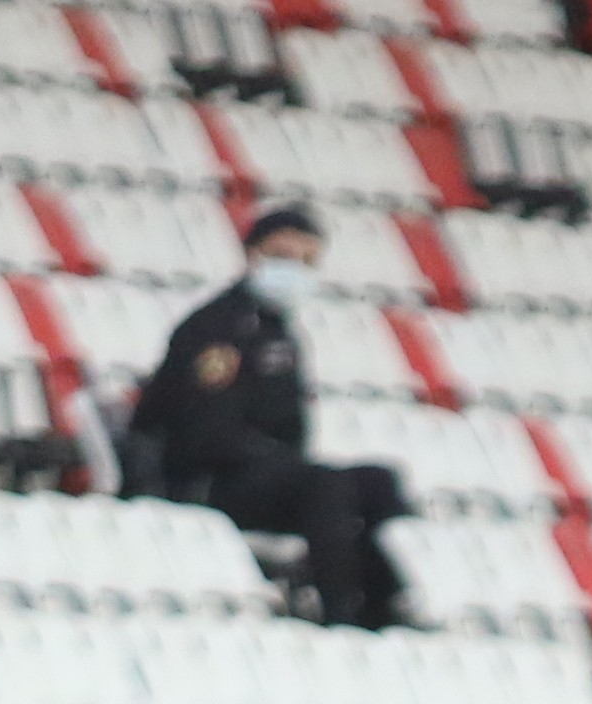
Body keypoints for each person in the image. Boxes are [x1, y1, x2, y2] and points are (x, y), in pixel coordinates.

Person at [123, 206, 413, 630]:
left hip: (263, 476)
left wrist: (281, 460)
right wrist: (275, 460)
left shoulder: (278, 330)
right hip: (206, 481)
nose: (294, 270)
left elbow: (292, 425)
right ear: (252, 255)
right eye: (281, 256)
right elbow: (200, 434)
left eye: (306, 261)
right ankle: (340, 615)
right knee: (323, 484)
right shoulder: (217, 329)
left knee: (377, 482)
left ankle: (387, 605)